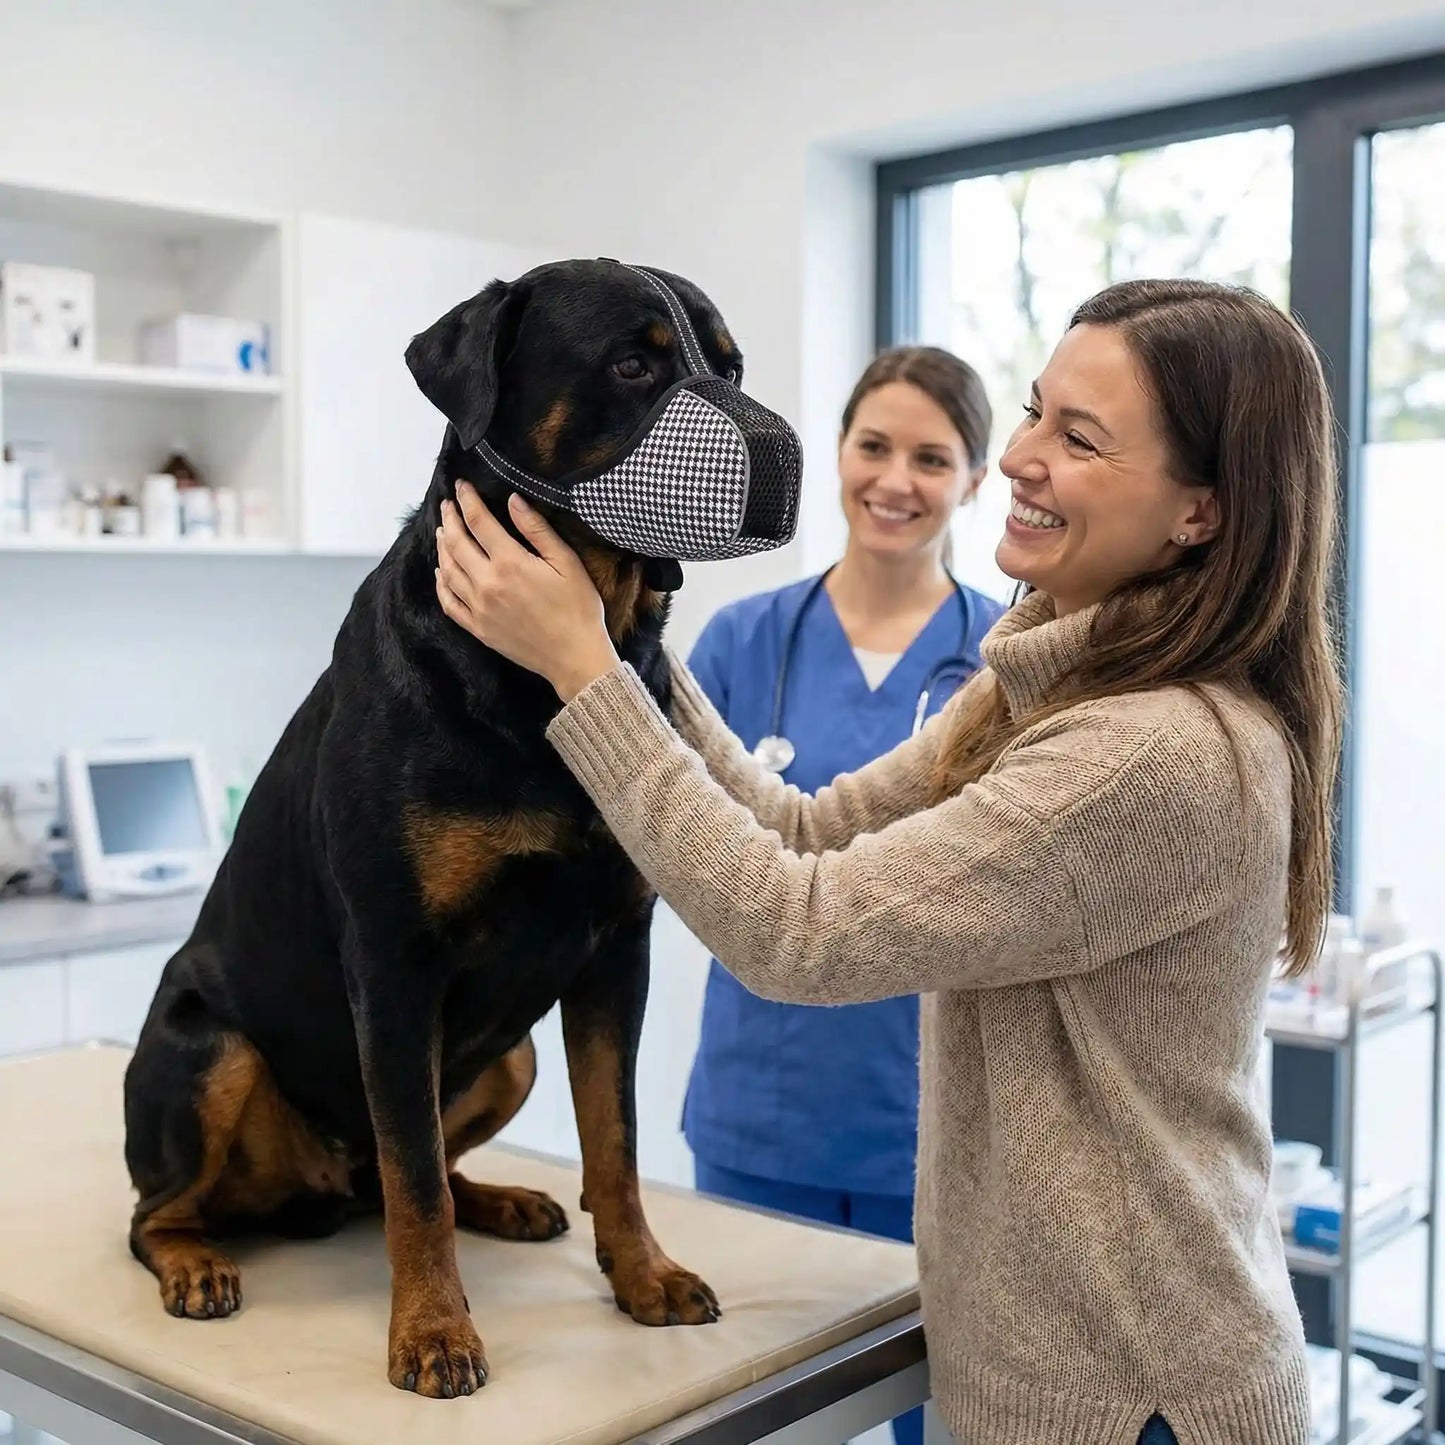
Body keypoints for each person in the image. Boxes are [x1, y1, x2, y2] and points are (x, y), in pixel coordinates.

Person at [435, 277, 1341, 1445]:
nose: (1017, 456)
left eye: (1077, 437)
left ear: (1199, 512)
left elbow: (796, 927)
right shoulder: (1044, 684)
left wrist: (585, 673)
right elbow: (809, 830)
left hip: (1130, 1394)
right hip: (1056, 1366)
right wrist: (618, 649)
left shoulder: (1150, 752)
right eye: (1030, 410)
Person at [682, 344, 1002, 1410]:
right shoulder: (741, 640)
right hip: (756, 1111)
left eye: (930, 456)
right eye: (872, 445)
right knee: (755, 1413)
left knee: (934, 1418)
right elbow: (684, 843)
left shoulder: (1004, 661)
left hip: (926, 1121)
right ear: (836, 453)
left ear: (973, 479)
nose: (894, 480)